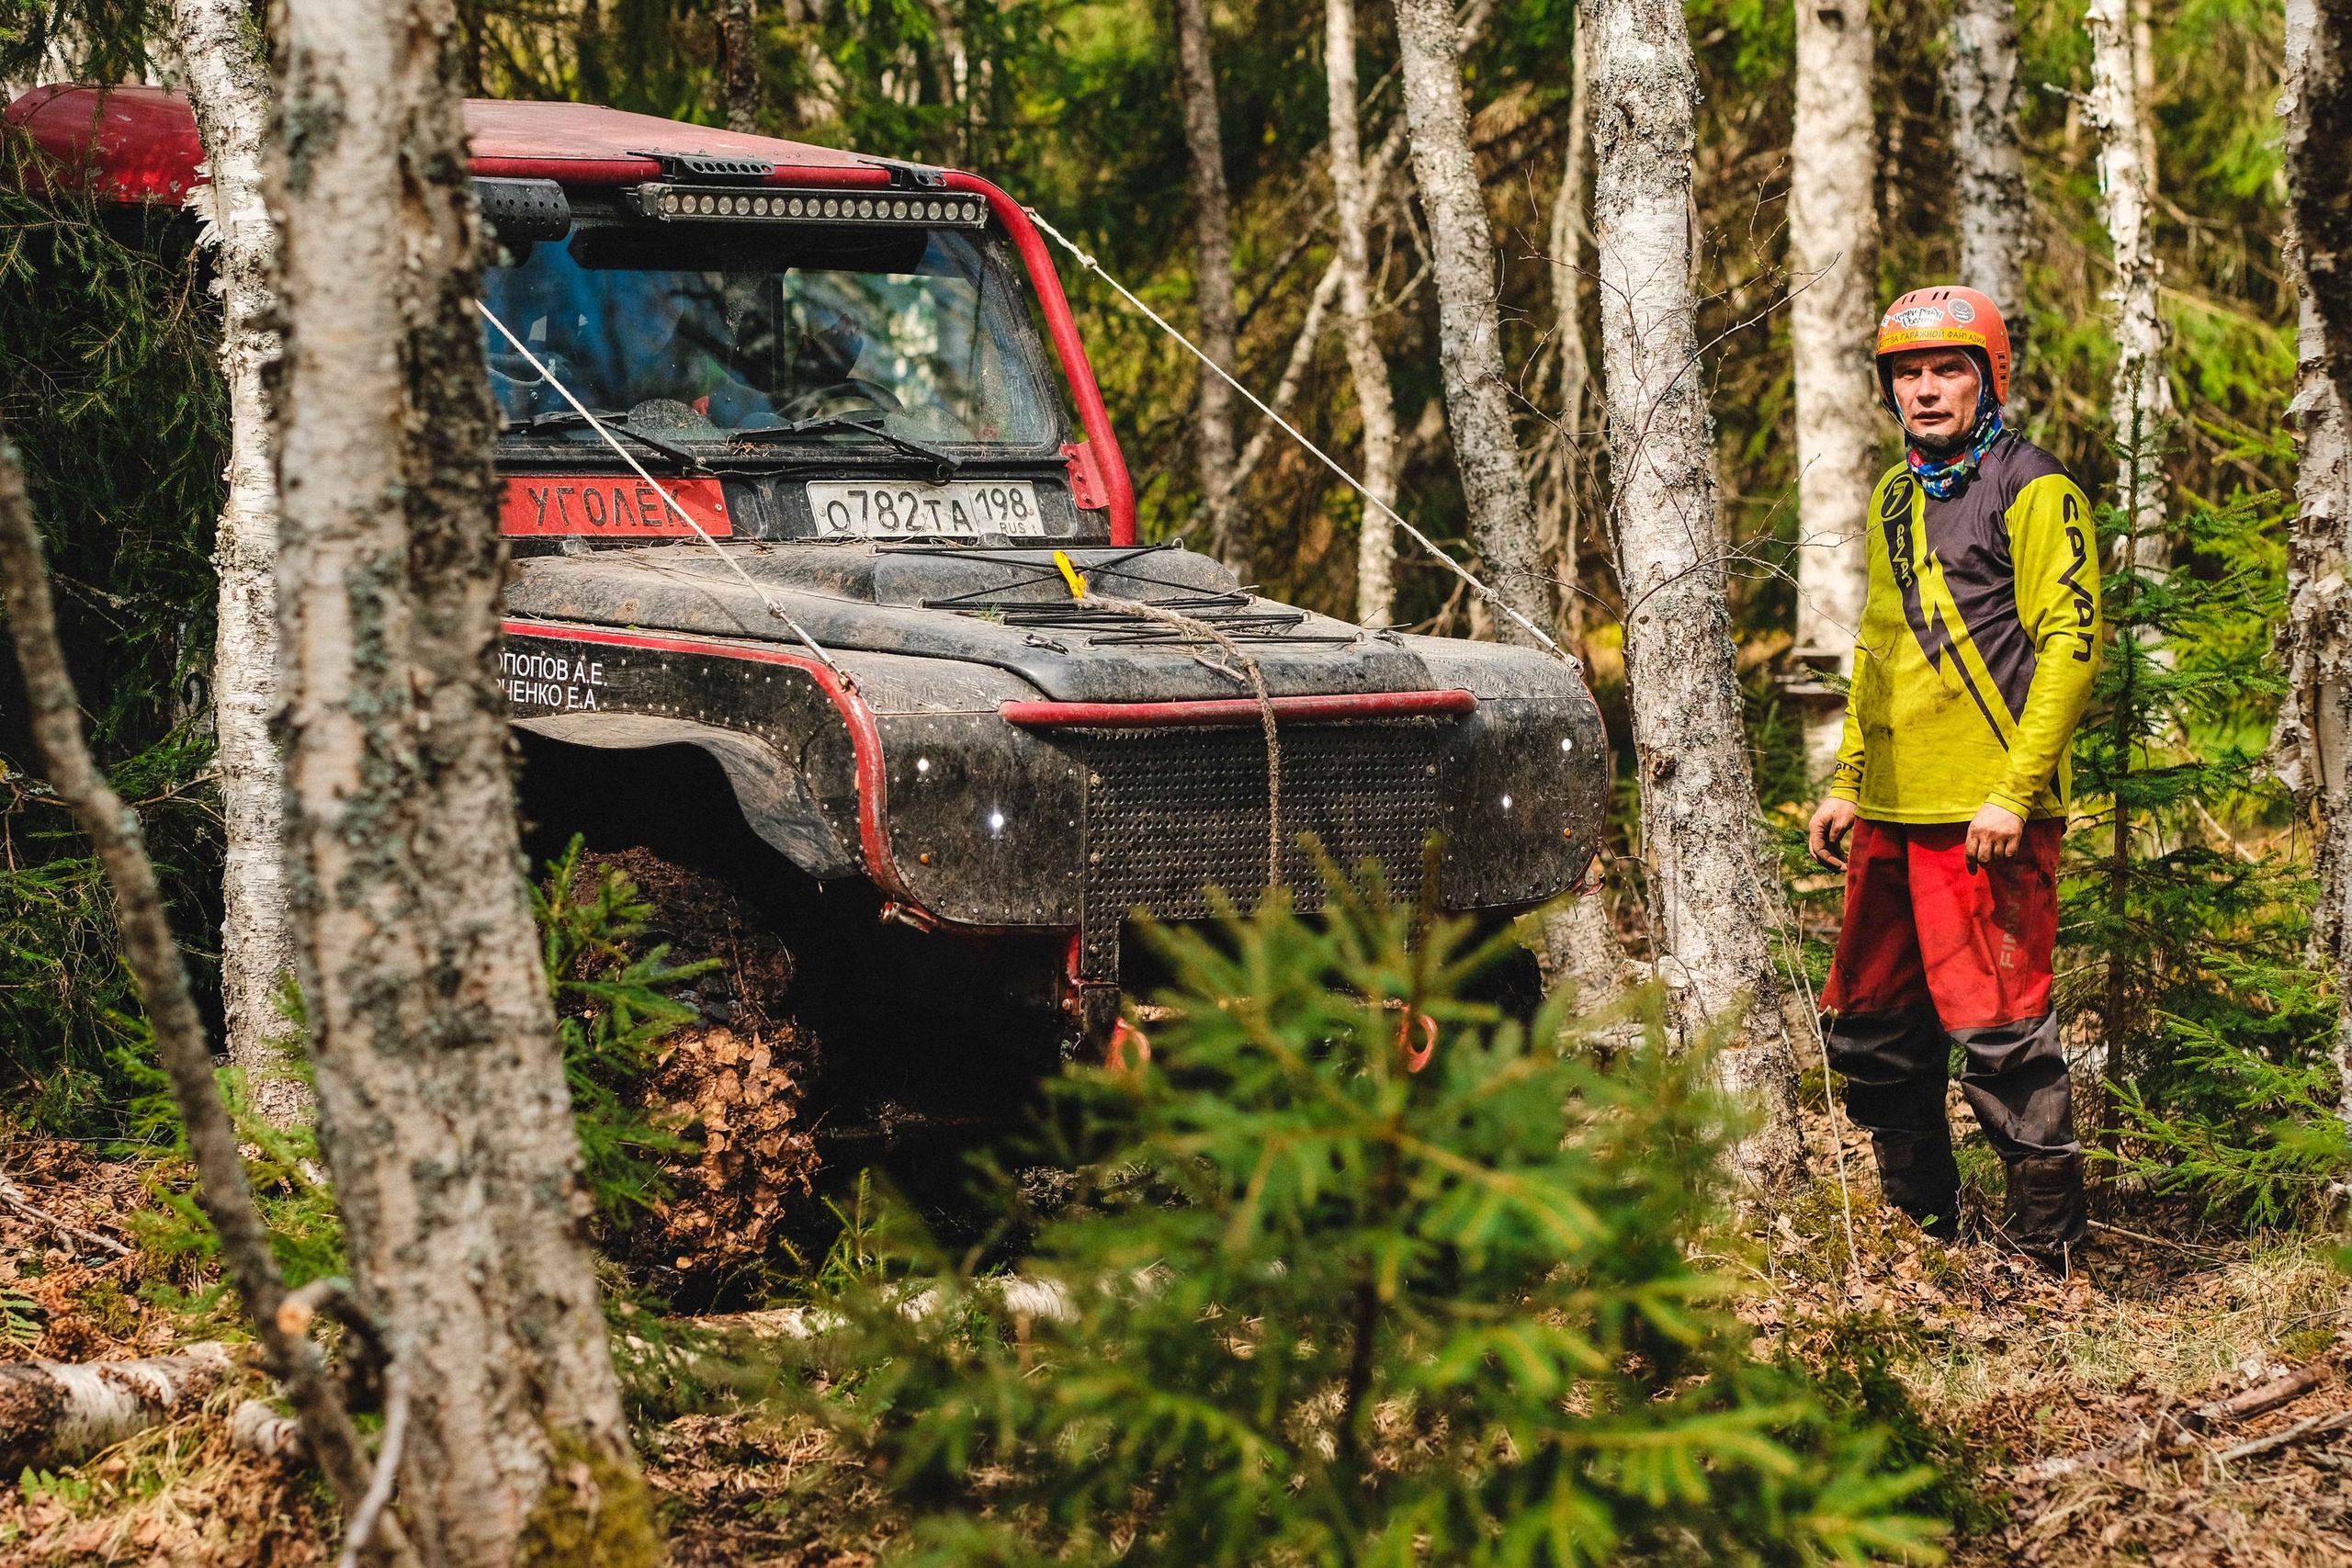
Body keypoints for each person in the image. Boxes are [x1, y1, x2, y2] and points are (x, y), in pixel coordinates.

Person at [1805, 286, 2101, 1270]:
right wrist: (1849, 777)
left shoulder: (2034, 486)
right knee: (1874, 1032)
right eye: (1907, 374)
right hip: (1890, 810)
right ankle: (1921, 1235)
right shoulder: (1895, 495)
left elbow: (2068, 643)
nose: (1925, 392)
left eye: (1947, 370)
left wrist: (2014, 791)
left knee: (2003, 1036)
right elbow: (1880, 647)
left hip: (1985, 813)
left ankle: (2047, 1259)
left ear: (1989, 377)